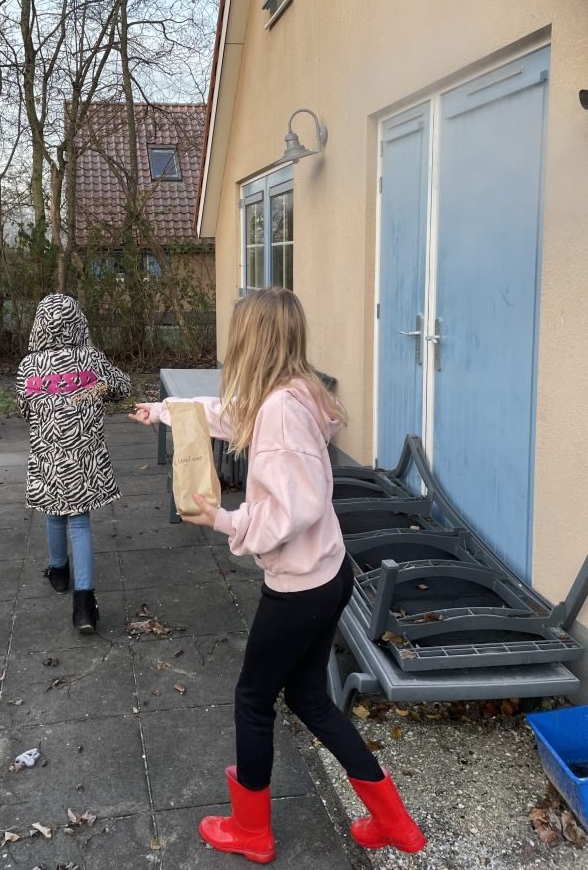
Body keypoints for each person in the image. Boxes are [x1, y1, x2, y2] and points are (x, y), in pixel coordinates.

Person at [130, 287, 425, 862]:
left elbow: (294, 509)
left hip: (302, 586)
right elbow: (231, 413)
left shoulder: (282, 414)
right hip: (326, 574)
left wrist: (222, 518)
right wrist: (163, 413)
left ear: (253, 338)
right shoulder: (291, 393)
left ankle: (252, 832)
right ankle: (397, 825)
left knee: (253, 698)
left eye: (237, 332)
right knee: (310, 699)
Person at [17, 293, 130, 633]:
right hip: (85, 460)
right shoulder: (92, 361)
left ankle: (58, 572)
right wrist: (101, 392)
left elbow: (26, 410)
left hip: (49, 458)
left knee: (54, 515)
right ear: (78, 322)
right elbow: (122, 386)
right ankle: (84, 606)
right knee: (79, 523)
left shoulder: (29, 367)